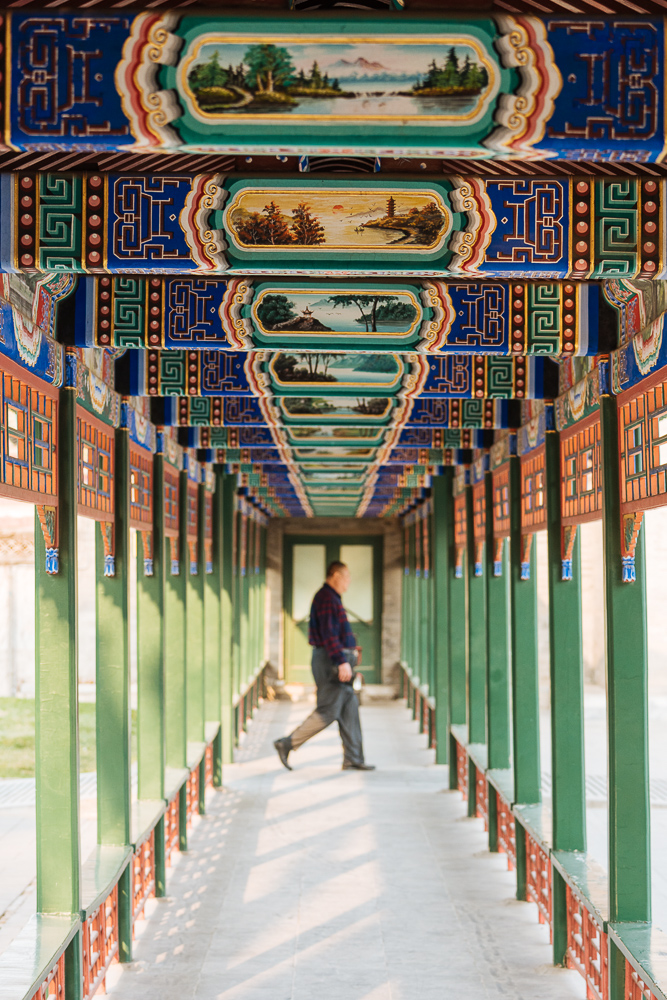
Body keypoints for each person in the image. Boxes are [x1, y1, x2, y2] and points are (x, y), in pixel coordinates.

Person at [274, 560, 375, 772]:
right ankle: (287, 744)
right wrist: (341, 662)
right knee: (328, 710)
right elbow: (329, 634)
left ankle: (353, 757)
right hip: (330, 662)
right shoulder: (327, 598)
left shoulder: (332, 598)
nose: (348, 583)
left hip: (335, 660)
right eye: (346, 578)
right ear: (336, 576)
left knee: (350, 708)